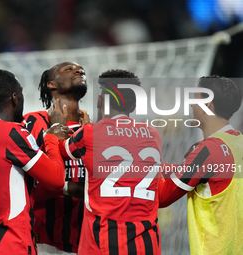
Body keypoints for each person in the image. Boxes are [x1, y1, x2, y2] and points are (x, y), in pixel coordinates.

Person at [0, 69, 70, 255]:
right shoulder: (12, 134)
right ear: (14, 98)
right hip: (10, 245)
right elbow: (56, 181)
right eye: (20, 93)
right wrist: (51, 137)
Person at [59, 69, 163, 255]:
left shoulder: (90, 133)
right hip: (147, 244)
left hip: (103, 243)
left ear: (100, 102)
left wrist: (53, 135)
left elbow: (62, 150)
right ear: (133, 106)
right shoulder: (153, 134)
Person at [158, 75, 243, 255]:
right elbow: (208, 174)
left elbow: (163, 196)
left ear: (208, 106)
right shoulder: (238, 143)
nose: (190, 104)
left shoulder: (206, 151)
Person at [23, 61, 87, 254]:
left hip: (86, 243)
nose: (78, 70)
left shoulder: (93, 129)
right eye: (69, 69)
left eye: (81, 70)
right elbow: (20, 182)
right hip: (42, 242)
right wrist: (67, 187)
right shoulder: (32, 121)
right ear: (51, 84)